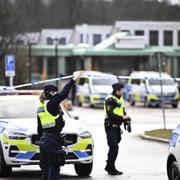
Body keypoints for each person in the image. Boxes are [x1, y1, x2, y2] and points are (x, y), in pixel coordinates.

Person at [37, 71, 84, 180]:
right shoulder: (51, 104)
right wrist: (73, 80)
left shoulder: (41, 107)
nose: (58, 95)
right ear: (52, 93)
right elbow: (64, 93)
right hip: (52, 141)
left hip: (44, 141)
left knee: (46, 170)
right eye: (56, 93)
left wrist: (42, 141)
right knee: (54, 168)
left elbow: (39, 127)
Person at [104, 82, 131, 175]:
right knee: (114, 146)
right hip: (110, 126)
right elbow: (110, 115)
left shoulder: (119, 99)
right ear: (117, 90)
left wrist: (126, 117)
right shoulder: (110, 100)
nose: (123, 91)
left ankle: (109, 166)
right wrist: (122, 118)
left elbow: (122, 110)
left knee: (114, 147)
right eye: (122, 90)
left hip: (116, 127)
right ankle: (110, 167)